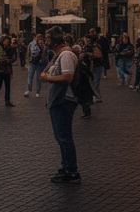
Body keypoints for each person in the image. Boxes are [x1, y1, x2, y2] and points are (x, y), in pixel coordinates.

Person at [39, 28, 80, 184]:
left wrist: (48, 78)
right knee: (61, 137)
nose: (46, 41)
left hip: (64, 99)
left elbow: (68, 77)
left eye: (48, 38)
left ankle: (72, 171)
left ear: (55, 40)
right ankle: (66, 166)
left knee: (64, 137)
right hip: (58, 100)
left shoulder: (66, 55)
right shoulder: (59, 55)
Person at [25, 32, 47, 98]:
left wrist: (42, 47)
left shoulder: (43, 45)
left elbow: (44, 55)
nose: (39, 39)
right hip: (32, 62)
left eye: (40, 38)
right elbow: (28, 53)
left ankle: (37, 91)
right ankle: (28, 90)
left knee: (38, 78)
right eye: (38, 37)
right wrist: (27, 63)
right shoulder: (31, 44)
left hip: (40, 63)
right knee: (30, 76)